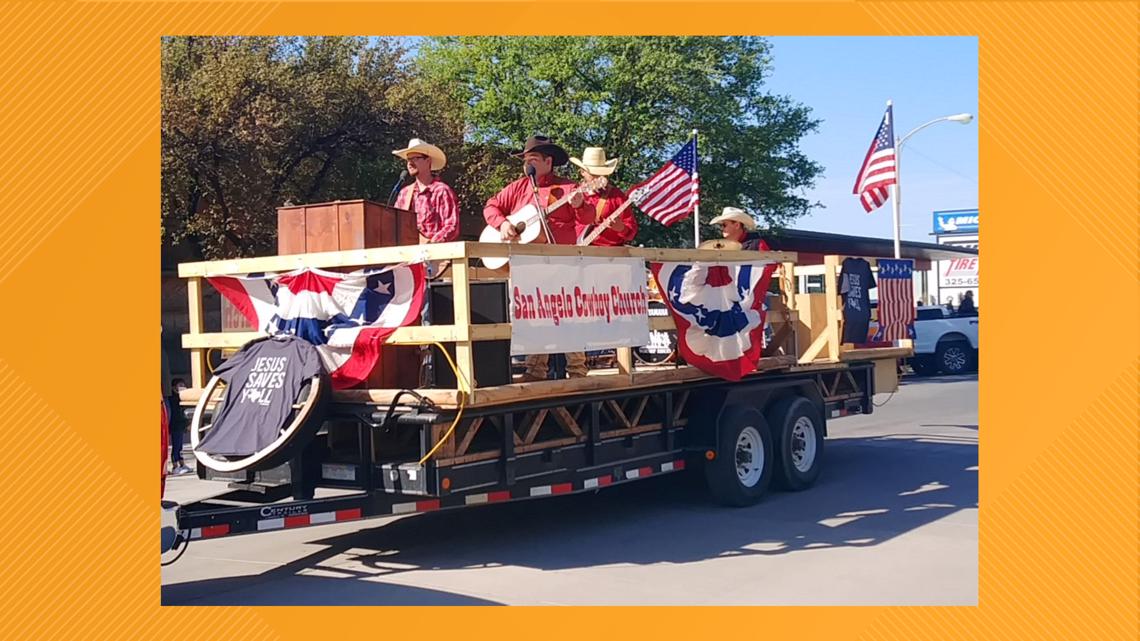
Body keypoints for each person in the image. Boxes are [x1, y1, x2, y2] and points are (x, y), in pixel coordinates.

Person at [484, 135, 594, 381]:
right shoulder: (517, 187)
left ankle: (577, 370)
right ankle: (535, 370)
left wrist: (579, 205)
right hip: (527, 264)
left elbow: (587, 218)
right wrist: (502, 224)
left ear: (548, 161)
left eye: (533, 159)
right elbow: (491, 206)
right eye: (526, 160)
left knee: (568, 313)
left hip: (561, 262)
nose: (527, 165)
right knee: (532, 314)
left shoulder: (568, 189)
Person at [391, 138, 459, 244]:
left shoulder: (441, 191)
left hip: (434, 257)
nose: (410, 163)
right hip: (407, 256)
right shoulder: (404, 193)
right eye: (408, 160)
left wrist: (431, 244)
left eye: (415, 158)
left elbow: (451, 226)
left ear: (428, 161)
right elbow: (396, 224)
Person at [571, 147, 637, 246]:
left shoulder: (616, 196)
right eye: (593, 173)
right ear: (582, 172)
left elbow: (631, 231)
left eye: (601, 173)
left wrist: (622, 228)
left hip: (609, 255)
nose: (598, 177)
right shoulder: (572, 194)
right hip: (576, 252)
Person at [168, 378, 192, 475]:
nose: (182, 387)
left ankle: (182, 464)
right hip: (175, 424)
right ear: (174, 387)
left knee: (180, 446)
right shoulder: (172, 398)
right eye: (179, 385)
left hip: (181, 424)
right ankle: (175, 466)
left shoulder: (182, 398)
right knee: (176, 446)